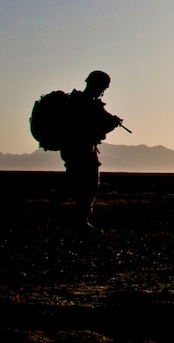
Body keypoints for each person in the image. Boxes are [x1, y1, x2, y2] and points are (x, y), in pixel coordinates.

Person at [58, 70, 123, 231]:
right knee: (88, 186)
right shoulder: (87, 104)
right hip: (82, 151)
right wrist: (111, 124)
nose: (103, 91)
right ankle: (77, 221)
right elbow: (91, 128)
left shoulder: (78, 101)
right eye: (104, 87)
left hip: (74, 150)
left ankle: (65, 215)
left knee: (77, 184)